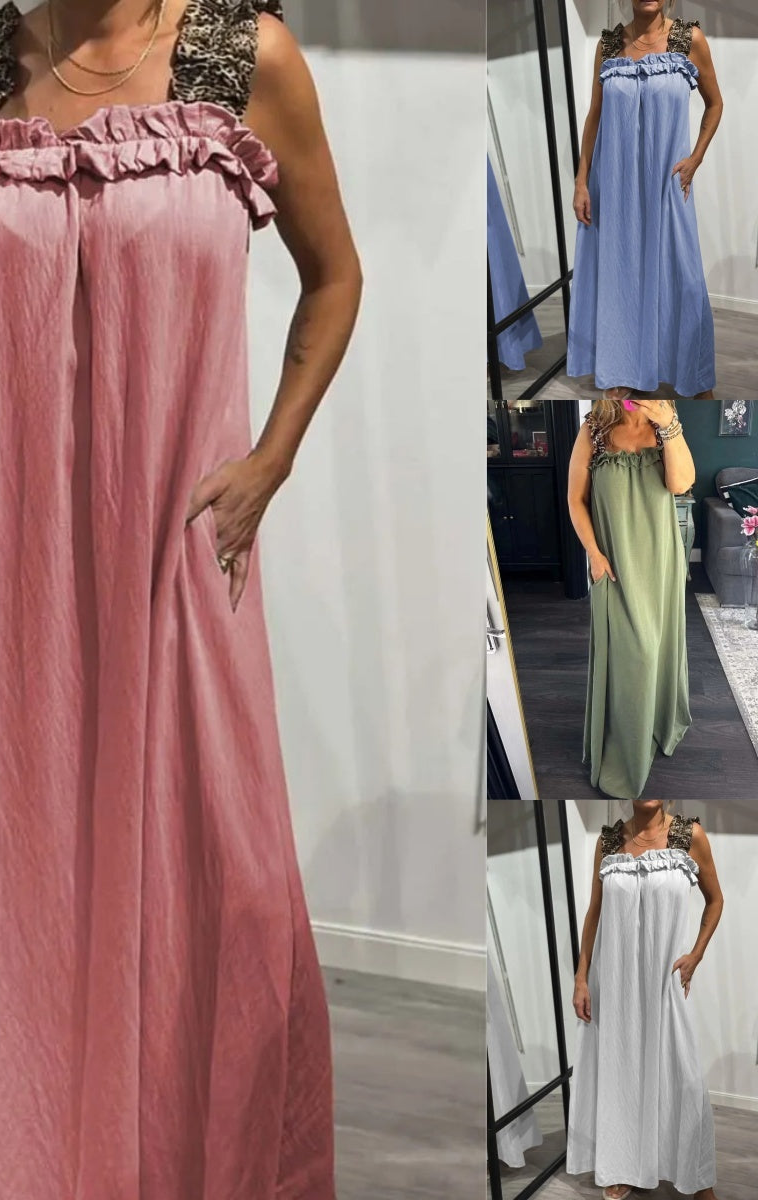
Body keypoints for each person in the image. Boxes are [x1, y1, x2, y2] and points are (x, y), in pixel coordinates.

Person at [0, 2, 363, 1198]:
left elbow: (335, 278)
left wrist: (270, 460)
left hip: (166, 545)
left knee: (211, 869)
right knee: (8, 860)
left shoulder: (243, 57)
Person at [566, 0, 723, 400]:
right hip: (614, 182)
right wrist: (582, 180)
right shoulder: (608, 45)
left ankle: (694, 374)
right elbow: (595, 115)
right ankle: (626, 368)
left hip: (666, 181)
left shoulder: (689, 40)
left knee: (684, 278)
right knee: (622, 275)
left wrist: (696, 159)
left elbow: (715, 103)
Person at [567, 803, 722, 1200]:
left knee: (683, 1075)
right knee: (622, 1071)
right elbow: (594, 913)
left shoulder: (689, 836)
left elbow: (715, 899)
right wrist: (582, 976)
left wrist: (696, 955)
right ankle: (625, 1164)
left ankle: (697, 1177)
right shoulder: (608, 842)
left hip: (663, 977)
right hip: (614, 978)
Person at [567, 396, 693, 798]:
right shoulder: (594, 429)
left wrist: (669, 425)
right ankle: (626, 747)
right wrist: (594, 554)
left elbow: (680, 485)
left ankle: (657, 721)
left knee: (658, 648)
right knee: (632, 654)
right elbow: (575, 499)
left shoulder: (665, 423)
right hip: (614, 565)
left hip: (660, 561)